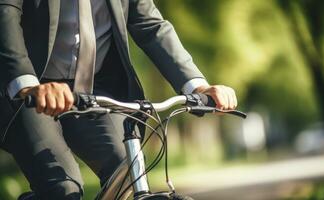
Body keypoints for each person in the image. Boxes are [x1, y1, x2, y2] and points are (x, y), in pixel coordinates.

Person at [0, 0, 237, 199]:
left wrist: (198, 87)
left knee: (127, 170)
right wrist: (27, 84)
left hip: (93, 90)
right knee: (62, 187)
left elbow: (151, 25)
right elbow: (6, 12)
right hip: (32, 94)